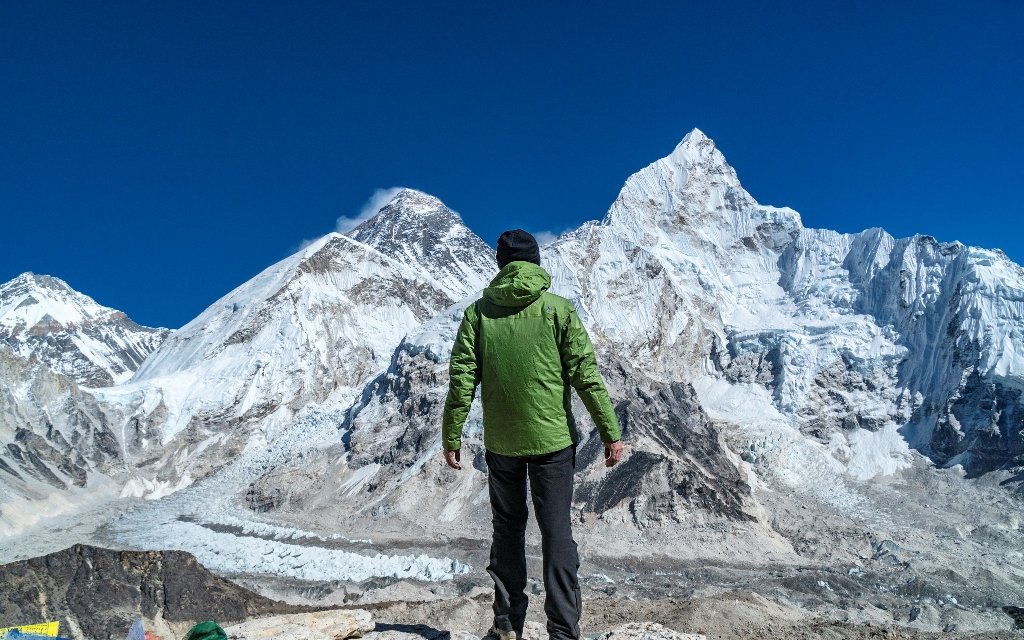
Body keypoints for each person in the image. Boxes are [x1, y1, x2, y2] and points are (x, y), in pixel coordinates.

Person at [441, 229, 624, 640]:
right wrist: (610, 432)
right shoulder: (559, 310)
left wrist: (451, 436)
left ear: (500, 264)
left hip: (501, 444)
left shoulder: (478, 314)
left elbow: (461, 382)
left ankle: (507, 625)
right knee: (557, 533)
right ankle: (563, 632)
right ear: (537, 263)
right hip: (554, 443)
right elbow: (586, 376)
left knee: (507, 530)